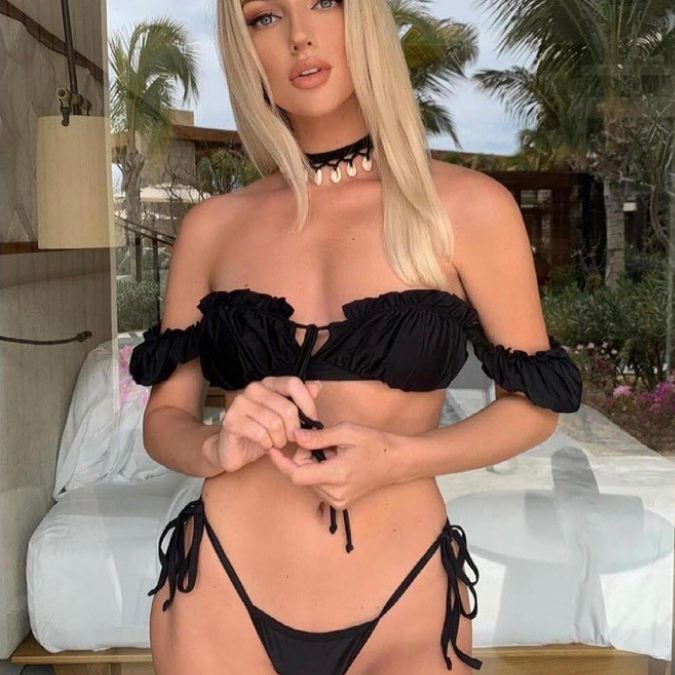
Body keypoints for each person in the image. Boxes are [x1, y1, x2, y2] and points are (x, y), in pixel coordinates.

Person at [129, 0, 583, 673]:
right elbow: (163, 419)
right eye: (264, 16)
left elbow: (534, 408)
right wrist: (214, 445)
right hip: (221, 593)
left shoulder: (467, 208)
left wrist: (398, 458)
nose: (299, 35)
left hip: (404, 599)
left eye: (325, 1)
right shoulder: (212, 227)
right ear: (242, 44)